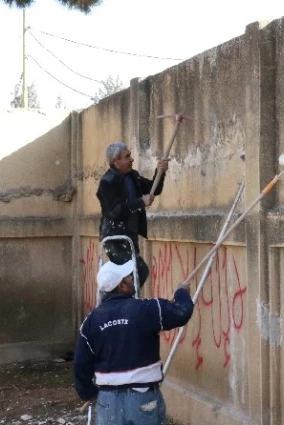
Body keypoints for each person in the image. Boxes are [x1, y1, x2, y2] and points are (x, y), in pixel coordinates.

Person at [74, 259, 193, 425]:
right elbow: (181, 312)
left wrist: (89, 393)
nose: (132, 279)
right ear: (122, 285)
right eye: (129, 278)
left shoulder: (91, 321)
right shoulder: (146, 308)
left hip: (108, 401)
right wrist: (182, 292)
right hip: (142, 398)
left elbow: (81, 363)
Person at [97, 142, 170, 288]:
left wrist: (160, 172)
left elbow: (153, 189)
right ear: (116, 162)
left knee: (131, 275)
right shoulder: (107, 183)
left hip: (130, 236)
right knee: (138, 271)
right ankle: (117, 303)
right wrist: (140, 202)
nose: (132, 159)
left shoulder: (133, 176)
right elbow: (115, 211)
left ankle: (120, 303)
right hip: (115, 238)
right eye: (127, 156)